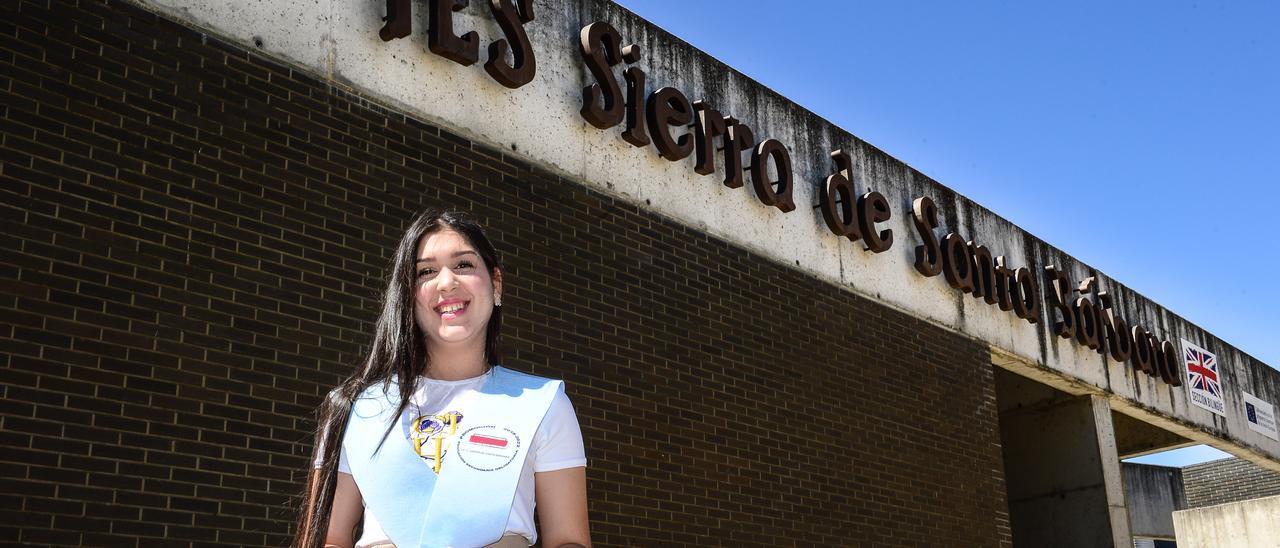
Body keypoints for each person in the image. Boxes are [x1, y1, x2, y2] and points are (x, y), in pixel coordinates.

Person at [295, 210, 590, 548]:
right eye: (427, 271)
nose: (447, 282)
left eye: (463, 265)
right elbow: (328, 538)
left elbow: (569, 540)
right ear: (408, 294)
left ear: (496, 283)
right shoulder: (358, 407)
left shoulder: (543, 403)